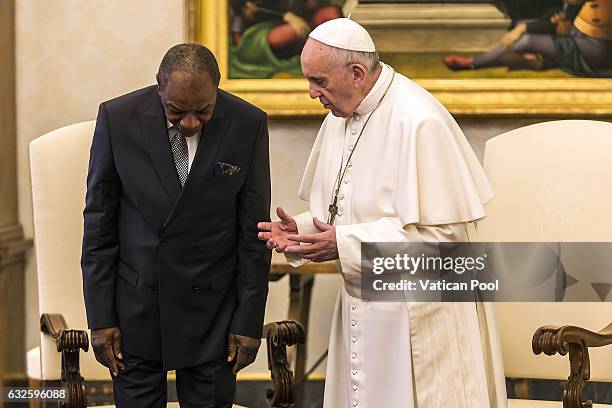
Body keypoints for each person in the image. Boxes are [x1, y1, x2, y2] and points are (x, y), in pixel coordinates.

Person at [258, 18, 506, 408]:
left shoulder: (419, 119)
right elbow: (345, 211)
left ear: (356, 73)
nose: (311, 93)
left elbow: (445, 242)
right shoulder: (339, 119)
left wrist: (342, 243)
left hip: (419, 315)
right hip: (361, 306)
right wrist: (303, 231)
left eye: (319, 81)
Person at [82, 43, 271, 408]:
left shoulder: (248, 123)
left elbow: (254, 234)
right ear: (159, 87)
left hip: (213, 315)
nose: (189, 123)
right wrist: (101, 317)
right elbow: (98, 226)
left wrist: (248, 321)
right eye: (176, 111)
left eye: (203, 111)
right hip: (135, 309)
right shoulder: (118, 118)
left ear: (217, 88)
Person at [445, 0, 612, 76]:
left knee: (527, 39)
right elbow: (558, 22)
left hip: (595, 51)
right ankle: (540, 60)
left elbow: (563, 25)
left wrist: (524, 29)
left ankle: (473, 63)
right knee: (525, 23)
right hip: (578, 39)